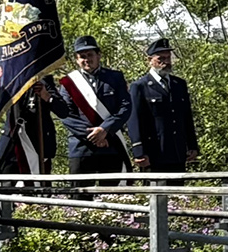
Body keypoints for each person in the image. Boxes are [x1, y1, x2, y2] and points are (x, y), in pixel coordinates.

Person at [54, 35, 133, 181]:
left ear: (98, 55)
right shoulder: (68, 83)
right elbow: (66, 115)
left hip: (111, 145)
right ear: (77, 59)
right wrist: (94, 136)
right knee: (80, 198)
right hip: (81, 147)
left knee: (113, 197)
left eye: (90, 55)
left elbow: (125, 107)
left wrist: (104, 130)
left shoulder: (115, 78)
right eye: (82, 56)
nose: (86, 59)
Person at [129, 38, 198, 173]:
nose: (166, 62)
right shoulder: (140, 86)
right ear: (149, 60)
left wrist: (192, 145)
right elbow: (135, 120)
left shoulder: (179, 84)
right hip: (154, 151)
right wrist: (138, 151)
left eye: (168, 57)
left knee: (178, 193)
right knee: (154, 192)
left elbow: (186, 117)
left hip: (177, 151)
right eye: (161, 58)